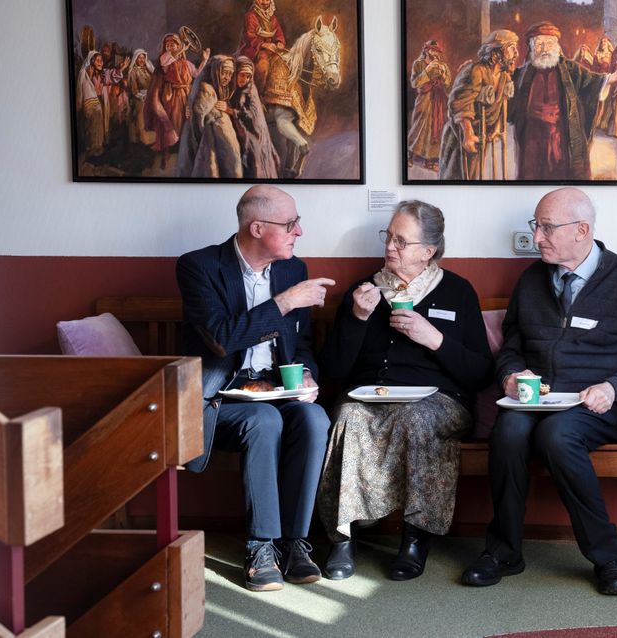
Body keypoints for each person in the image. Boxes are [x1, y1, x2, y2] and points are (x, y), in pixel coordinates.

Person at [461, 187, 617, 596]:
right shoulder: (531, 280)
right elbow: (510, 347)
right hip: (534, 402)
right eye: (536, 226)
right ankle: (504, 550)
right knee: (507, 433)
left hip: (593, 407)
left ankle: (607, 557)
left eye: (546, 227)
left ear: (582, 230)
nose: (537, 237)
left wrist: (614, 387)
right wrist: (510, 376)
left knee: (557, 436)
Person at [317, 200, 493, 581]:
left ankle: (415, 538)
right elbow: (333, 370)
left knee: (417, 418)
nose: (390, 247)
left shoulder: (457, 292)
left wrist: (435, 340)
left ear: (428, 251)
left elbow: (480, 372)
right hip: (369, 396)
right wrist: (356, 319)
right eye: (389, 237)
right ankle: (343, 537)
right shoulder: (363, 291)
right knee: (347, 415)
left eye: (401, 240)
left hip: (438, 401)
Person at [176, 185, 335, 592]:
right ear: (257, 227)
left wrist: (307, 375)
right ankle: (261, 546)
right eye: (291, 224)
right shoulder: (198, 267)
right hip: (218, 399)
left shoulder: (292, 270)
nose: (299, 231)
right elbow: (221, 339)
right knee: (263, 420)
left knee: (314, 419)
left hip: (274, 391)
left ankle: (295, 543)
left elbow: (299, 345)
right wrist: (284, 303)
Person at [509, 21, 617, 181]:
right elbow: (506, 97)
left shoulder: (569, 68)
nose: (544, 49)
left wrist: (610, 78)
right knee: (532, 174)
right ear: (531, 47)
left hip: (560, 133)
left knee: (562, 172)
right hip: (532, 136)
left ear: (557, 47)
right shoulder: (521, 74)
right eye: (539, 44)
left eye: (549, 43)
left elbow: (591, 81)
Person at [438, 29, 519, 180]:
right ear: (496, 52)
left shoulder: (504, 77)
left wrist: (495, 129)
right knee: (456, 175)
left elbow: (502, 106)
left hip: (482, 134)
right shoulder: (476, 71)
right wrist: (468, 134)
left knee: (474, 174)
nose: (516, 53)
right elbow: (460, 103)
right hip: (461, 134)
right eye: (512, 47)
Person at [144, 33, 210, 168]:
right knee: (174, 121)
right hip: (171, 95)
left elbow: (197, 75)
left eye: (172, 45)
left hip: (186, 94)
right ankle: (169, 150)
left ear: (177, 45)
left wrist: (204, 60)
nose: (169, 47)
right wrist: (181, 49)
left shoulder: (186, 63)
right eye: (167, 45)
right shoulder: (165, 60)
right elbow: (166, 61)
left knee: (187, 121)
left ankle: (184, 150)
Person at [176, 55, 243, 178]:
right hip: (208, 141)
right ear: (215, 71)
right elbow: (197, 120)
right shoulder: (206, 89)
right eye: (224, 73)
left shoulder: (217, 89)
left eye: (230, 74)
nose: (227, 78)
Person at [229, 55, 280, 179]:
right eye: (242, 75)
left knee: (254, 153)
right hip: (239, 128)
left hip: (253, 133)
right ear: (235, 74)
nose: (245, 79)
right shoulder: (232, 90)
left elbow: (253, 117)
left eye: (248, 76)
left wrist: (232, 112)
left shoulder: (251, 91)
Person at [407, 40, 452, 171]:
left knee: (437, 129)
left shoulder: (442, 65)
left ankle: (432, 160)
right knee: (419, 128)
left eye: (438, 51)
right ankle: (410, 154)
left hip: (439, 101)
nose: (436, 54)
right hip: (424, 101)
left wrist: (444, 74)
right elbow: (415, 83)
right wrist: (428, 70)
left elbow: (448, 83)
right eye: (433, 50)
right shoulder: (419, 64)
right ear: (427, 51)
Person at [75, 50, 128, 160]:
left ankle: (99, 149)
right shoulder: (86, 73)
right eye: (97, 60)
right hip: (91, 103)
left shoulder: (102, 73)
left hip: (101, 102)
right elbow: (85, 89)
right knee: (93, 125)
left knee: (102, 126)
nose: (100, 63)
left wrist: (121, 68)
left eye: (101, 60)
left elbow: (112, 76)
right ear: (92, 61)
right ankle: (93, 151)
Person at [235, 0, 287, 96]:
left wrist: (280, 42)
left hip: (270, 50)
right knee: (263, 65)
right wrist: (264, 45)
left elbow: (279, 34)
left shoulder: (273, 18)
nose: (265, 2)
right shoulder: (250, 16)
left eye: (267, 0)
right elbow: (250, 37)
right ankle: (257, 95)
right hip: (252, 50)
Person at [127, 49, 156, 147]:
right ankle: (145, 140)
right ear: (135, 59)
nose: (141, 59)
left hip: (150, 95)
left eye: (143, 57)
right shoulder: (133, 72)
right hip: (139, 97)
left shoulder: (148, 69)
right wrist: (144, 96)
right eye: (139, 57)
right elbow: (134, 91)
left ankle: (156, 139)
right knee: (142, 110)